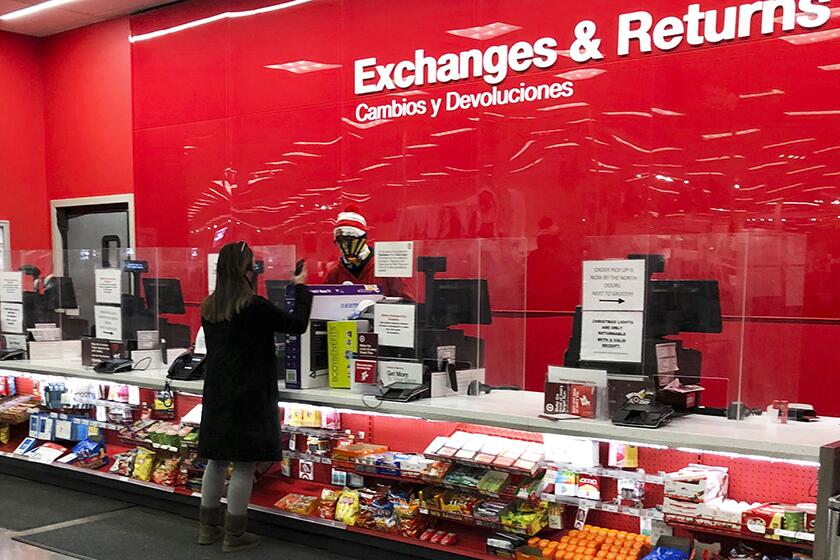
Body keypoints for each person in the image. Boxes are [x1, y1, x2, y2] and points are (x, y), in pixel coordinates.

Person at [197, 241, 312, 552]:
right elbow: (296, 326)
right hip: (249, 394)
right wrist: (300, 288)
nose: (255, 271)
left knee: (216, 462)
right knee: (245, 465)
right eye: (252, 267)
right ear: (245, 271)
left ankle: (207, 529)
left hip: (218, 392)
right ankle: (234, 535)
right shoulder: (254, 305)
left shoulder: (209, 306)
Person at [324, 205, 414, 299]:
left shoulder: (385, 268)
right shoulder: (334, 273)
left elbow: (406, 302)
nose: (345, 245)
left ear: (363, 238)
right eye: (340, 240)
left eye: (350, 239)